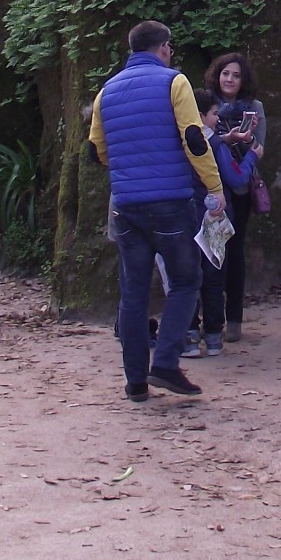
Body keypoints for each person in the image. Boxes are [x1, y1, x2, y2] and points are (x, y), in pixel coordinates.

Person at [88, 20, 221, 401]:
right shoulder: (173, 81)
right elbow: (194, 139)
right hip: (171, 204)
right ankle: (164, 362)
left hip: (126, 207)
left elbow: (96, 150)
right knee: (184, 281)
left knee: (133, 293)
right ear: (163, 48)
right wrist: (214, 186)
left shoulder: (106, 92)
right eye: (171, 48)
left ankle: (135, 382)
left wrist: (131, 169)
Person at [184, 88, 256, 358]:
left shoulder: (180, 141)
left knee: (188, 275)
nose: (218, 118)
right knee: (214, 275)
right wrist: (251, 157)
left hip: (186, 216)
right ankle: (214, 335)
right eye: (214, 114)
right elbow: (236, 179)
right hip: (213, 217)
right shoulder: (213, 145)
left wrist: (228, 137)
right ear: (202, 115)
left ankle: (190, 332)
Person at [203, 51, 266, 344]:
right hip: (211, 191)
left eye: (236, 75)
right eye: (225, 73)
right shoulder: (205, 105)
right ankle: (210, 321)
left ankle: (235, 319)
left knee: (235, 251)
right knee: (212, 253)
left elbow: (259, 148)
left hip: (239, 189)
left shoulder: (254, 108)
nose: (229, 79)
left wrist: (248, 139)